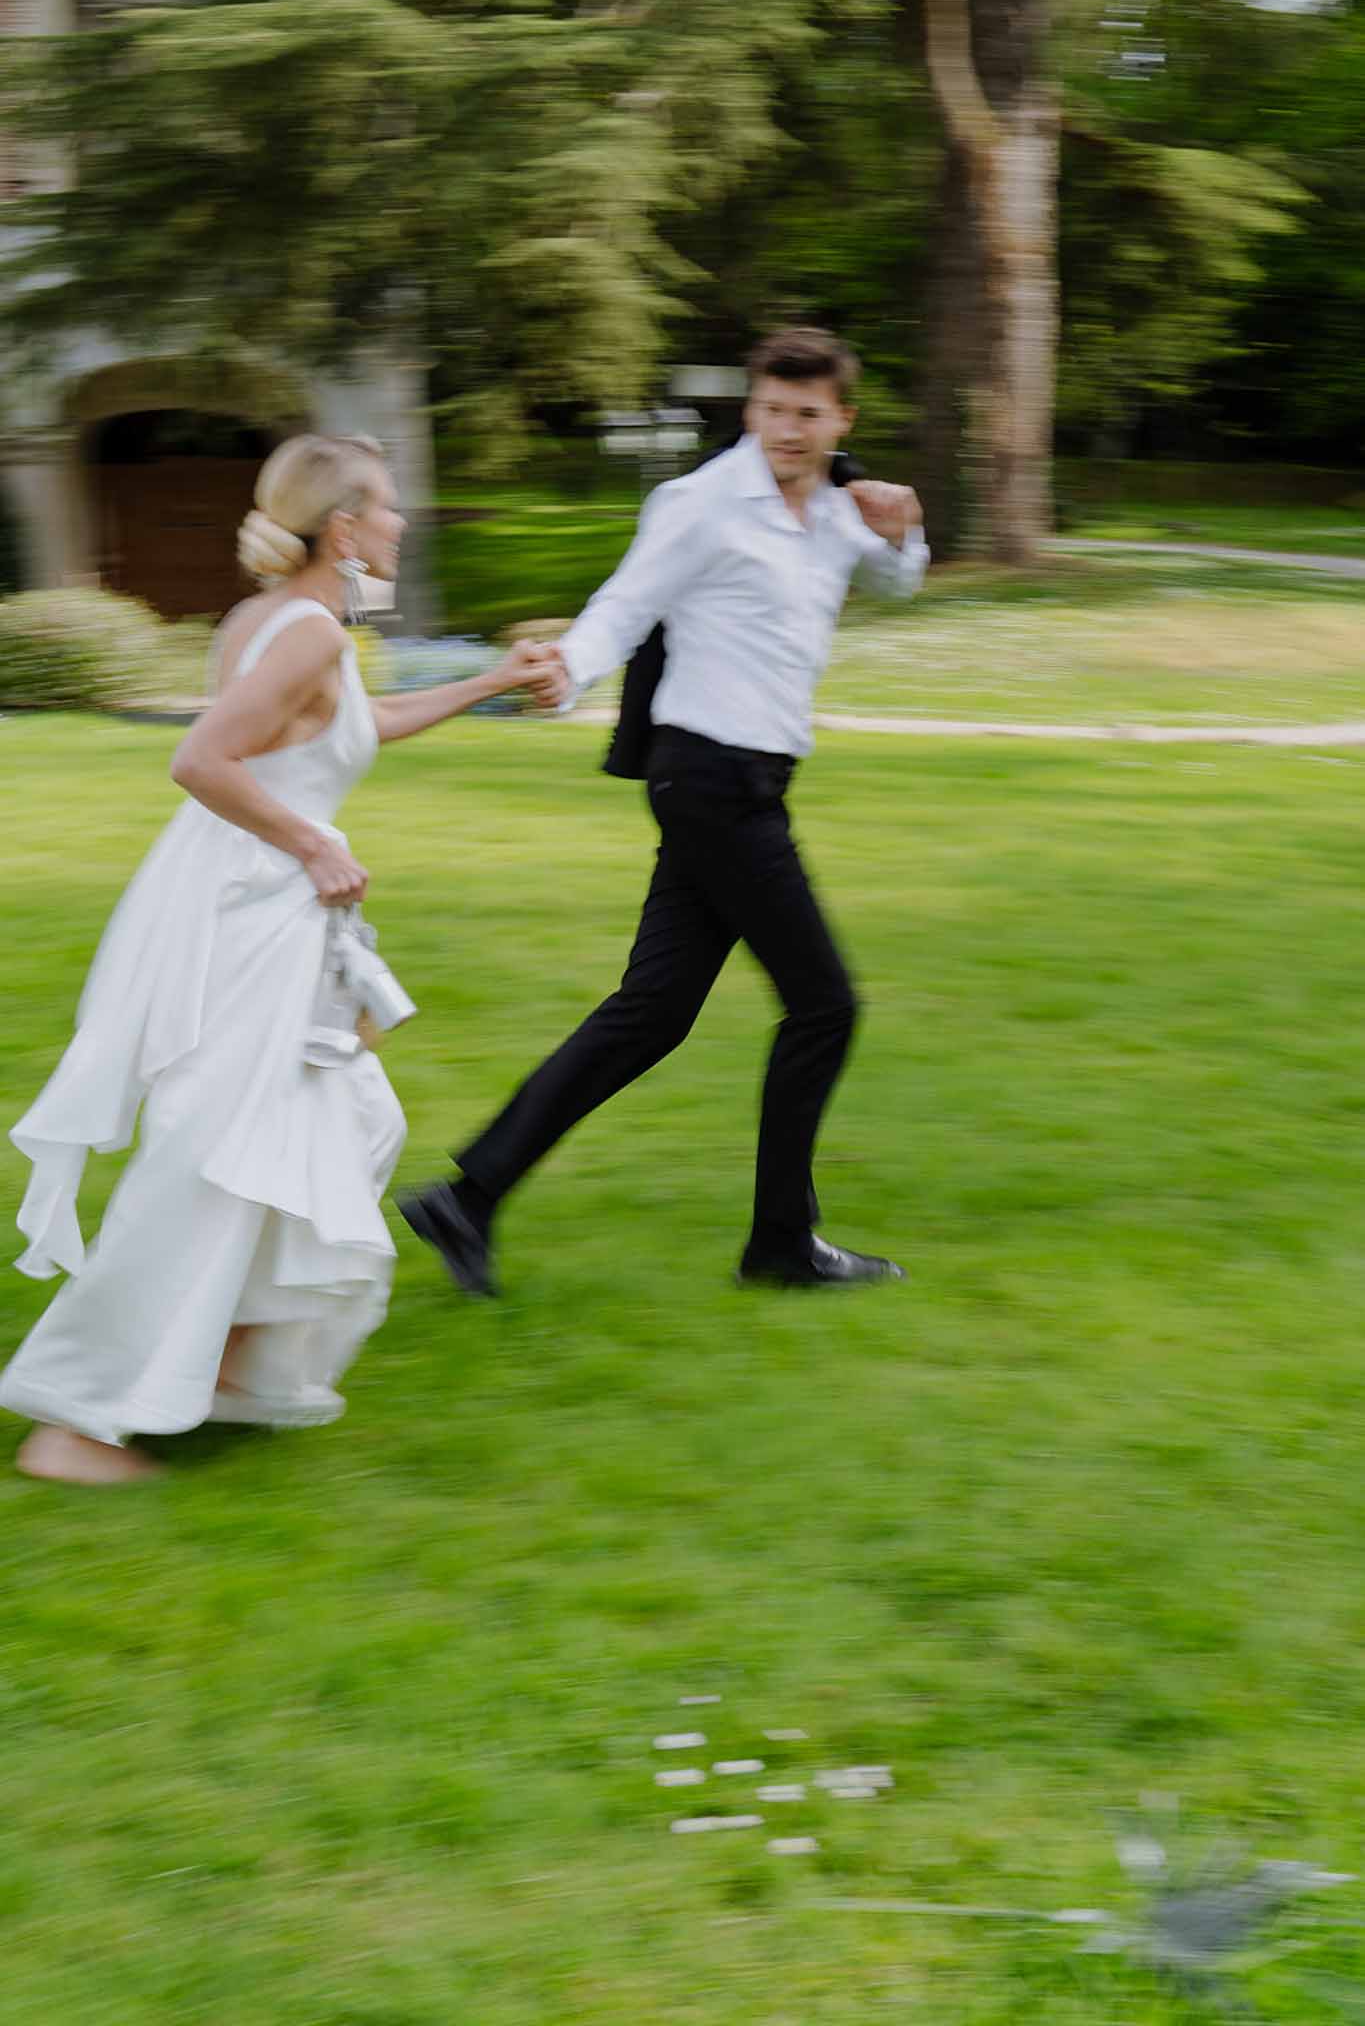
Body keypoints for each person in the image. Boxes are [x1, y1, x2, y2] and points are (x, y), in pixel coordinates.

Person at [3, 432, 554, 1484]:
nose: (399, 521)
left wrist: (489, 680)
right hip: (257, 925)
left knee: (343, 1128)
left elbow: (349, 726)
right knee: (215, 1160)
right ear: (343, 528)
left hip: (265, 919)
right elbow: (201, 758)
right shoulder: (307, 633)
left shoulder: (276, 622)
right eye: (385, 505)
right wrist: (313, 843)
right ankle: (73, 1422)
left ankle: (221, 1365)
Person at [400, 327, 929, 1296]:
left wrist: (902, 529)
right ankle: (781, 1243)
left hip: (747, 783)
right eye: (771, 409)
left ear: (839, 418)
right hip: (710, 779)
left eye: (807, 414)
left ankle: (466, 1199)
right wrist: (566, 669)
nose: (787, 430)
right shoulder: (700, 502)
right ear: (751, 408)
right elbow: (624, 605)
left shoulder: (836, 507)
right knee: (825, 1005)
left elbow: (894, 581)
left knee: (652, 1014)